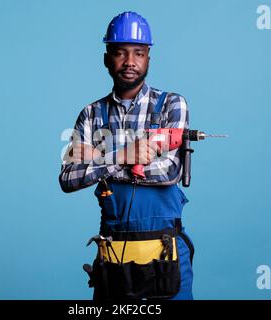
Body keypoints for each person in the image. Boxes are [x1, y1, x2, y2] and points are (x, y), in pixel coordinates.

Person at [59, 11, 194, 300]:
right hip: (113, 257)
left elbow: (168, 171)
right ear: (107, 58)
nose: (130, 62)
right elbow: (68, 178)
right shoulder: (91, 114)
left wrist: (97, 156)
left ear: (148, 58)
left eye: (139, 53)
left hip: (165, 255)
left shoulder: (172, 105)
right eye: (120, 53)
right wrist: (124, 155)